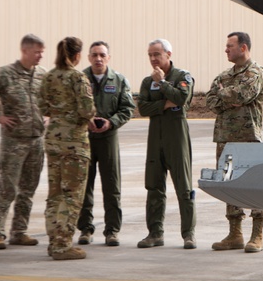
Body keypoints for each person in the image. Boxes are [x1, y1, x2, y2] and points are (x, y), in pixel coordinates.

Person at [0, 34, 46, 249]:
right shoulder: (5, 74)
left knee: (28, 189)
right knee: (8, 189)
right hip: (14, 142)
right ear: (24, 51)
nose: (40, 56)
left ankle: (20, 231)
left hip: (36, 140)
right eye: (37, 52)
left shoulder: (43, 75)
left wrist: (49, 115)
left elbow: (51, 99)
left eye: (42, 52)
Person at [206, 32, 263, 253]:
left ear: (243, 48)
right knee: (228, 183)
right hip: (225, 138)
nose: (226, 49)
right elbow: (210, 101)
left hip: (249, 137)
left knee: (254, 185)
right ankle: (235, 233)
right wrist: (227, 96)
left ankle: (257, 234)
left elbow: (243, 96)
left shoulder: (257, 73)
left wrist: (226, 95)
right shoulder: (223, 76)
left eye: (230, 46)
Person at [136, 39, 196, 249]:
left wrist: (163, 84)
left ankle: (188, 234)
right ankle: (154, 233)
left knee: (183, 185)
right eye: (150, 55)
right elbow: (142, 108)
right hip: (155, 136)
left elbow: (181, 98)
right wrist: (165, 104)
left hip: (176, 134)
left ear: (168, 54)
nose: (153, 59)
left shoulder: (182, 76)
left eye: (157, 54)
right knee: (154, 185)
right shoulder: (146, 81)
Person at [39, 36, 95, 260]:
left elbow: (42, 105)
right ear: (77, 55)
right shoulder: (78, 78)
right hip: (74, 144)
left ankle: (54, 241)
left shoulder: (49, 77)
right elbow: (87, 110)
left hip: (53, 141)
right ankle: (63, 245)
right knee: (71, 195)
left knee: (54, 195)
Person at [76, 41, 135, 247]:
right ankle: (85, 228)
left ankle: (112, 230)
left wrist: (112, 122)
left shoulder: (118, 80)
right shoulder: (79, 80)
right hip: (85, 139)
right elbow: (72, 107)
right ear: (89, 57)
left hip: (109, 138)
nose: (98, 59)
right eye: (94, 55)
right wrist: (86, 120)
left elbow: (127, 108)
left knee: (112, 186)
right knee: (84, 185)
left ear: (108, 57)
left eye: (102, 55)